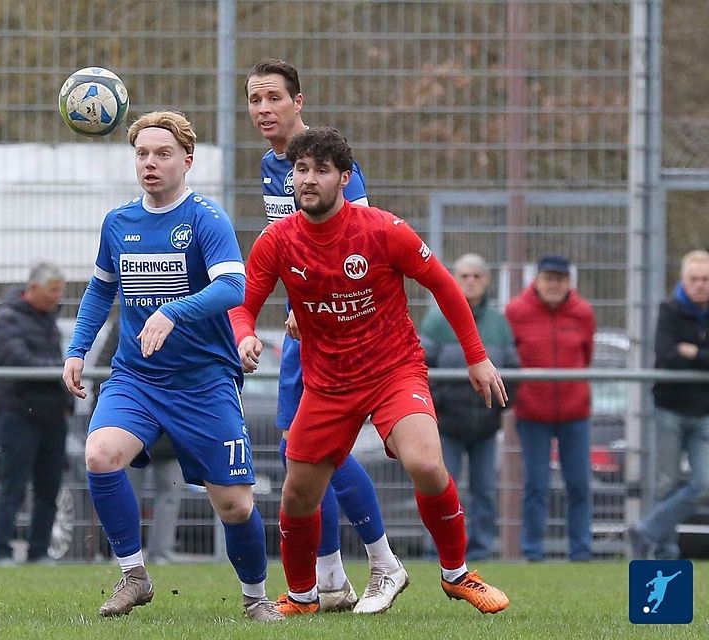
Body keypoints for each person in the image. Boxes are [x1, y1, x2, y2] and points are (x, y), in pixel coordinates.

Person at [230, 126, 510, 616]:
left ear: (344, 179)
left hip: (393, 373)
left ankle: (457, 574)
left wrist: (476, 355)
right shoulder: (277, 240)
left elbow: (444, 286)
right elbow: (243, 305)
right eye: (301, 170)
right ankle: (303, 597)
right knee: (298, 495)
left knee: (425, 463)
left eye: (321, 170)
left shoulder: (382, 230)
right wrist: (246, 335)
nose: (308, 180)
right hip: (328, 384)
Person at [63, 111, 282, 622]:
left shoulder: (207, 219)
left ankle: (255, 598)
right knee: (99, 454)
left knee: (235, 506)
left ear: (187, 160)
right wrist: (76, 350)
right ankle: (134, 575)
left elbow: (234, 287)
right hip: (136, 378)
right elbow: (100, 290)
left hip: (204, 383)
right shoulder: (118, 223)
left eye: (162, 154)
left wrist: (171, 310)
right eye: (142, 154)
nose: (151, 163)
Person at [246, 58, 406, 614]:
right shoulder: (273, 166)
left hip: (338, 335)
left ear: (299, 102)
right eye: (255, 100)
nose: (264, 110)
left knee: (316, 450)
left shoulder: (334, 166)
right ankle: (332, 578)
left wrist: (309, 306)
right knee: (301, 452)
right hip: (304, 331)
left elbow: (357, 249)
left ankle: (384, 562)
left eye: (274, 99)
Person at [420, 253, 519, 561]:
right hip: (448, 423)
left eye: (477, 275)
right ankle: (437, 551)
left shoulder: (499, 324)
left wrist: (501, 406)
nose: (470, 281)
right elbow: (421, 367)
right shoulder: (437, 322)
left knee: (485, 491)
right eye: (464, 275)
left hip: (485, 426)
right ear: (454, 279)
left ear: (487, 281)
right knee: (440, 488)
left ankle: (480, 550)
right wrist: (439, 406)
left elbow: (513, 369)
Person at [505, 254, 596, 562]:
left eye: (560, 279)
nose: (554, 285)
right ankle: (533, 551)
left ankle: (581, 551)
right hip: (532, 413)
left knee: (580, 484)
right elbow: (510, 355)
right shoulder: (516, 311)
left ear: (569, 282)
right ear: (538, 280)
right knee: (536, 484)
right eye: (549, 278)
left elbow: (587, 354)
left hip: (575, 413)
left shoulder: (582, 312)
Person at [629, 250, 709, 560]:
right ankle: (665, 553)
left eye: (705, 280)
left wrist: (692, 353)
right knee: (665, 483)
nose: (700, 285)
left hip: (703, 411)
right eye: (694, 279)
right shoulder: (669, 309)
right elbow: (665, 354)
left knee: (702, 484)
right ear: (683, 280)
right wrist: (698, 356)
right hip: (670, 408)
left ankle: (646, 529)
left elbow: (683, 355)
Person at [0, 262, 71, 565]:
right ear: (33, 289)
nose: (58, 297)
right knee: (14, 485)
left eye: (60, 291)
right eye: (53, 291)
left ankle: (38, 551)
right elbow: (16, 360)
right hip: (19, 415)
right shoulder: (8, 320)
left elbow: (59, 359)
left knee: (49, 488)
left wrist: (66, 404)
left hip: (52, 417)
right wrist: (57, 371)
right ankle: (1, 550)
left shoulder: (50, 321)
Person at [139, 436, 184, 564]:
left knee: (169, 498)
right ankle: (127, 554)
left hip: (170, 445)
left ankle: (161, 554)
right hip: (130, 439)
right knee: (126, 496)